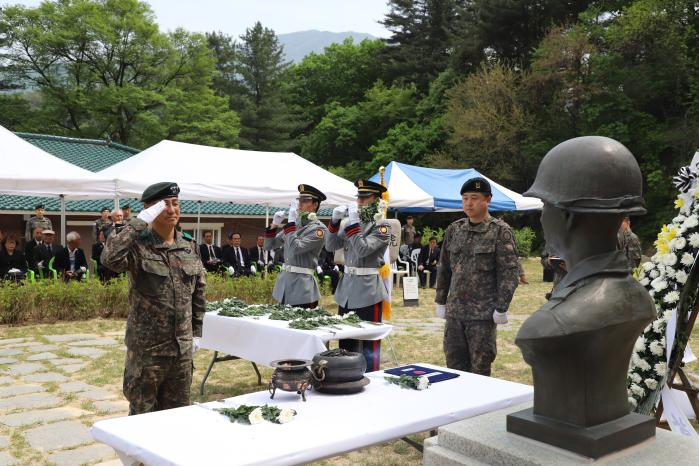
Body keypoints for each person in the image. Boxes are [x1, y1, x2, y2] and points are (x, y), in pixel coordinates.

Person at [101, 182, 206, 415]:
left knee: (178, 417)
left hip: (181, 351)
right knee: (141, 418)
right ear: (150, 209)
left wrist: (196, 332)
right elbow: (109, 259)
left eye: (175, 204)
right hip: (148, 353)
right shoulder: (137, 245)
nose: (172, 210)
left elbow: (198, 292)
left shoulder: (188, 246)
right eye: (164, 205)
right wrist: (139, 222)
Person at [435, 177, 519, 376]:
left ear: (487, 200)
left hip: (482, 316)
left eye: (474, 198)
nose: (468, 203)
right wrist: (441, 300)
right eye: (464, 199)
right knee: (454, 368)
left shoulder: (500, 231)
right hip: (455, 314)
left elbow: (509, 273)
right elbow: (444, 267)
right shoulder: (455, 229)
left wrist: (501, 307)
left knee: (480, 370)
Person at [325, 179, 391, 372]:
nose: (360, 202)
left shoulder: (382, 226)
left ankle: (370, 376)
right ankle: (346, 374)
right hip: (346, 289)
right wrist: (335, 223)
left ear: (376, 200)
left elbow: (363, 250)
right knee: (346, 339)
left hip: (368, 290)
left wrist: (353, 225)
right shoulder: (351, 222)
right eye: (359, 198)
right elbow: (330, 246)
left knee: (367, 342)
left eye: (365, 198)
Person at [265, 185, 329, 308]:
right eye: (299, 200)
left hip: (302, 287)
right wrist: (274, 225)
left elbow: (296, 248)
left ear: (315, 205)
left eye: (305, 201)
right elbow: (269, 245)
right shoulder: (296, 224)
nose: (300, 204)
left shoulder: (319, 229)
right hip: (284, 285)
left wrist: (290, 224)